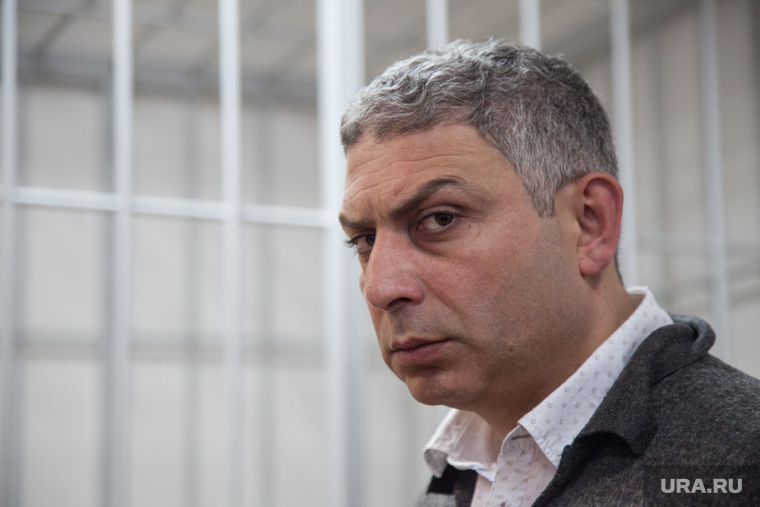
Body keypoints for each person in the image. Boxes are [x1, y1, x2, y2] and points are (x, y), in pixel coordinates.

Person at [338, 40, 760, 506]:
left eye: (440, 219)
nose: (381, 288)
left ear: (589, 223)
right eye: (365, 240)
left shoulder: (742, 460)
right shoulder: (457, 474)